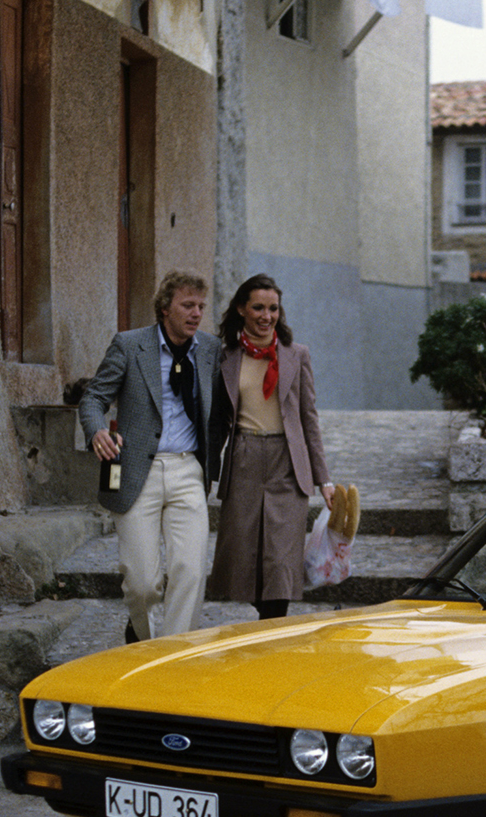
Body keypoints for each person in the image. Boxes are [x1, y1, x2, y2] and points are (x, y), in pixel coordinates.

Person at [79, 271, 218, 642]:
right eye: (187, 305)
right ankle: (143, 635)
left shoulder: (209, 349)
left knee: (189, 570)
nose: (196, 313)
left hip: (189, 468)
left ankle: (171, 661)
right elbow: (94, 398)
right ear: (164, 308)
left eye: (201, 306)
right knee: (141, 583)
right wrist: (96, 431)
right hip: (137, 469)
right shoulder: (129, 345)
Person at [206, 274, 334, 620]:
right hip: (244, 458)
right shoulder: (226, 358)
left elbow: (309, 419)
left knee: (280, 559)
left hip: (287, 464)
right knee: (246, 556)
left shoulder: (296, 355)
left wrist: (325, 480)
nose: (267, 315)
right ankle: (265, 624)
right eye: (259, 307)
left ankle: (273, 627)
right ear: (241, 309)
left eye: (273, 308)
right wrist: (205, 472)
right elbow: (217, 422)